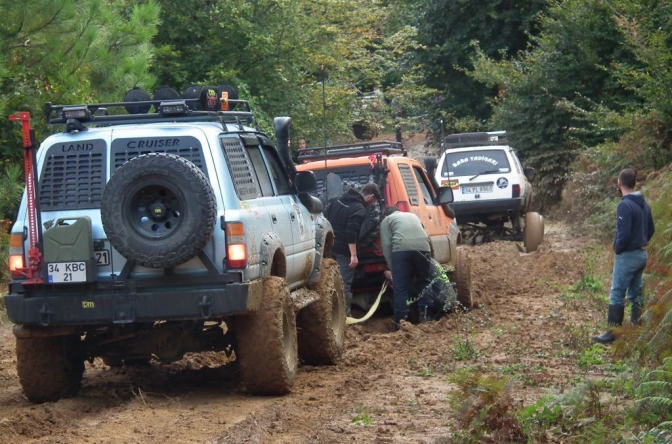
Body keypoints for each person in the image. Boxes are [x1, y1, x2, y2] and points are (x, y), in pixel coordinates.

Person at [593, 168, 655, 343]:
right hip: (641, 254)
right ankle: (637, 329)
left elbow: (624, 233)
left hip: (627, 256)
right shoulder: (644, 203)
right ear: (634, 183)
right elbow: (651, 229)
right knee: (636, 293)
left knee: (617, 292)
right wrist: (641, 241)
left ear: (619, 184)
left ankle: (612, 333)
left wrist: (617, 248)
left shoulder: (625, 205)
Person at [324, 183, 381, 316]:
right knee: (344, 284)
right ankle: (344, 317)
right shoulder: (359, 208)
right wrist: (353, 255)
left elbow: (325, 218)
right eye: (374, 202)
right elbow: (351, 231)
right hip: (344, 251)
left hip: (330, 248)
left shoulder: (337, 200)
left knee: (329, 281)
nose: (372, 205)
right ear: (371, 196)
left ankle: (330, 314)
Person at [379, 206, 433, 330]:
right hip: (424, 248)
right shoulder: (413, 216)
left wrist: (392, 267)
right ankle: (425, 315)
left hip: (401, 249)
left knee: (400, 287)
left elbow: (386, 244)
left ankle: (400, 321)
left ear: (386, 215)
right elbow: (426, 235)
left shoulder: (386, 220)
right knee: (424, 281)